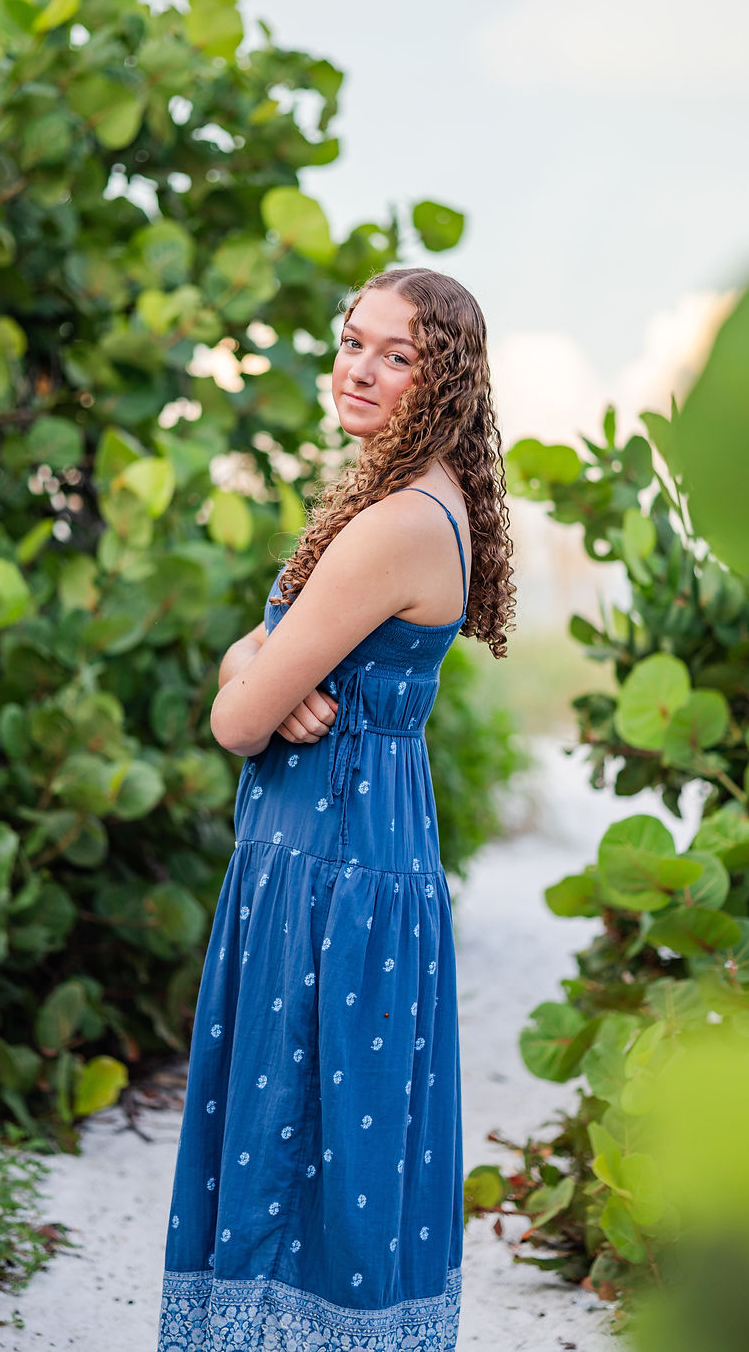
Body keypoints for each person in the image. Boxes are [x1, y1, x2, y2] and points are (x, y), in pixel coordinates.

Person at [158, 266, 515, 1350]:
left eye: (395, 354)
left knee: (296, 1150)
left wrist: (249, 679)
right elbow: (257, 665)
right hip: (344, 858)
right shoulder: (412, 500)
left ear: (442, 379)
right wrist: (255, 666)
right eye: (352, 341)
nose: (358, 368)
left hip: (330, 873)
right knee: (328, 1153)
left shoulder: (395, 524)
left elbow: (235, 719)